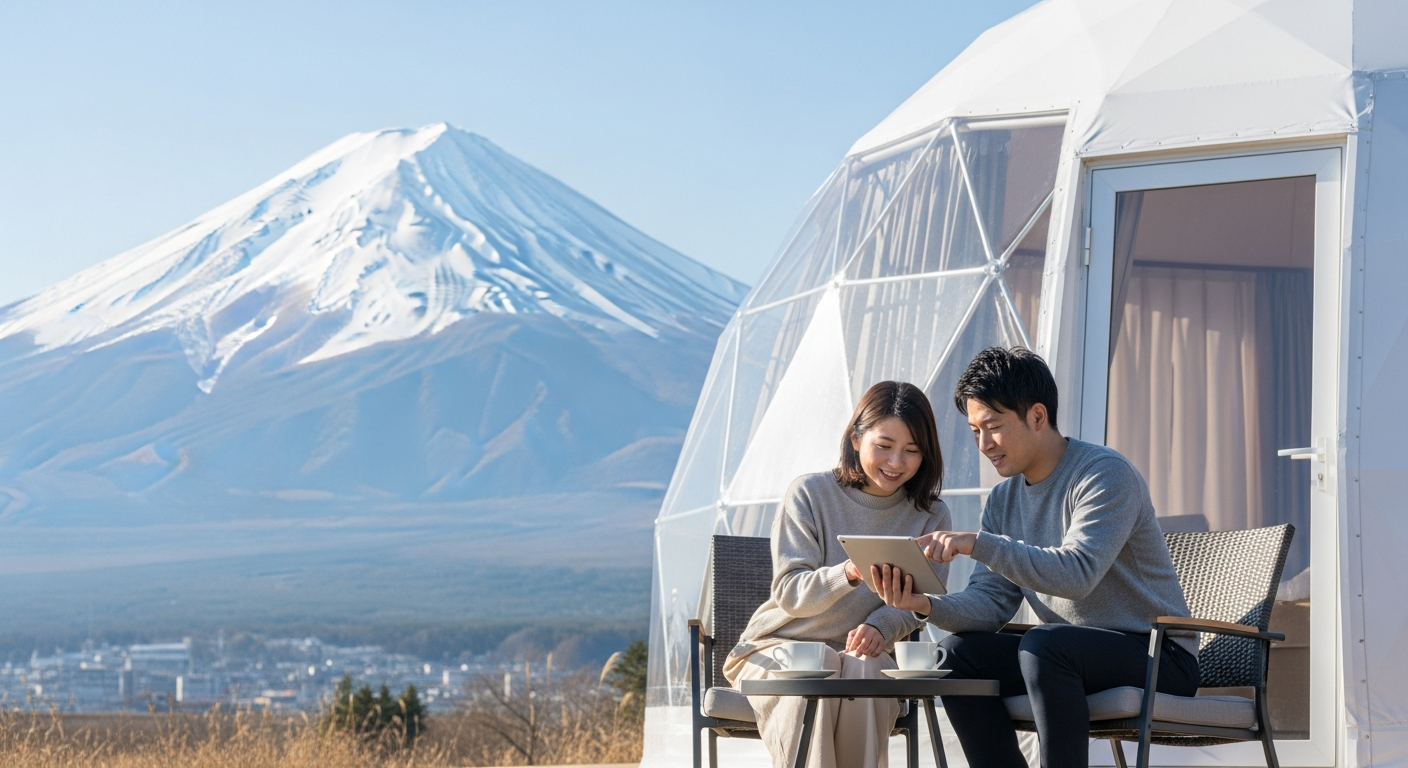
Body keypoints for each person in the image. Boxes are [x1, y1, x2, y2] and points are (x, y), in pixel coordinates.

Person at [873, 347, 1198, 768]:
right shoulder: (1004, 499)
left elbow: (1077, 574)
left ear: (1038, 417)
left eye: (993, 426)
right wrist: (925, 606)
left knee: (1044, 644)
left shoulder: (1104, 474)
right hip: (1067, 653)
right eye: (974, 430)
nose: (983, 444)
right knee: (956, 656)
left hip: (1158, 656)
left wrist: (978, 543)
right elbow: (990, 604)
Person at [724, 381, 953, 768]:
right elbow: (791, 593)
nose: (896, 462)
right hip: (779, 646)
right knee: (821, 669)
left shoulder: (931, 516)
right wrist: (849, 571)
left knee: (861, 671)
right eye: (884, 446)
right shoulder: (810, 494)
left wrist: (880, 627)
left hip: (867, 651)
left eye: (912, 451)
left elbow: (918, 604)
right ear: (856, 438)